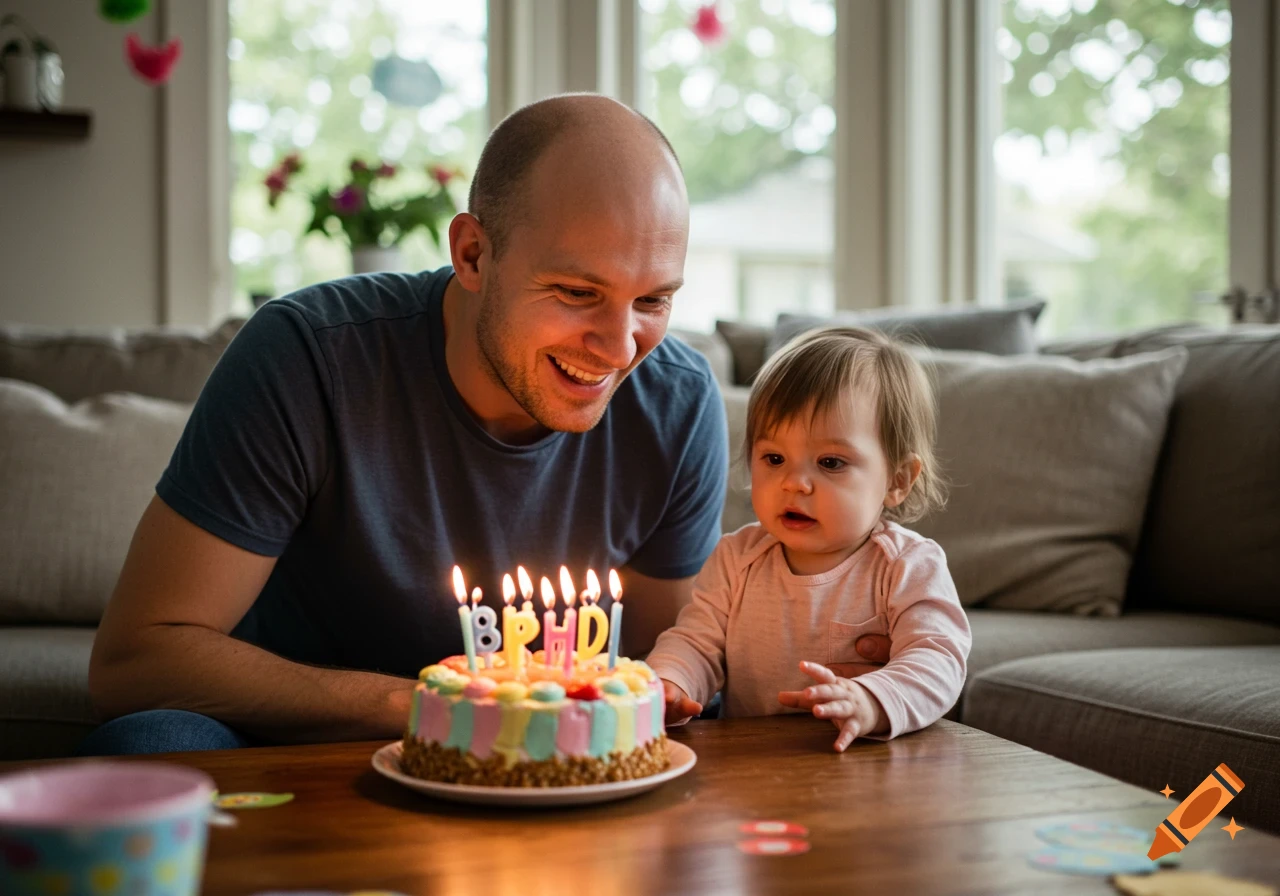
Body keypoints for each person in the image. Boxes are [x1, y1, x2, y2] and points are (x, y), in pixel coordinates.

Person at [647, 326, 972, 752]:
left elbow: (938, 659)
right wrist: (669, 683)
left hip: (870, 763)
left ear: (897, 480)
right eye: (775, 458)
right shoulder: (735, 558)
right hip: (756, 764)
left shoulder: (907, 565)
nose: (795, 483)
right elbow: (696, 642)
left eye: (830, 462)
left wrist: (872, 701)